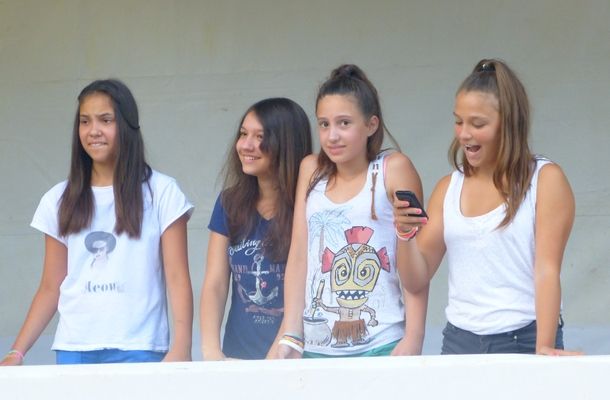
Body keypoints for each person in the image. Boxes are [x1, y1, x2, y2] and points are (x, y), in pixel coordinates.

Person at [394, 58, 581, 355]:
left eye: (477, 124)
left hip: (525, 337)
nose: (464, 134)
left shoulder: (545, 179)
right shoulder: (447, 188)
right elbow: (416, 279)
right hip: (459, 341)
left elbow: (547, 270)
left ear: (508, 123)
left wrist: (544, 345)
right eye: (458, 121)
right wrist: (405, 235)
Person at [1, 79, 194, 365]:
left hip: (140, 347)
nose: (93, 131)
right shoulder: (58, 199)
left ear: (127, 125)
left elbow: (177, 277)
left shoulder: (162, 191)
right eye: (85, 121)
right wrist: (16, 352)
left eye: (105, 120)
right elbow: (51, 286)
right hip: (74, 348)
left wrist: (182, 348)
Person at [270, 64, 428, 358]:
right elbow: (299, 255)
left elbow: (415, 260)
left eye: (344, 123)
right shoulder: (311, 169)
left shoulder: (393, 168)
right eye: (324, 124)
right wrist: (291, 334)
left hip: (381, 342)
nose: (332, 136)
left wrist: (414, 337)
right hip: (317, 346)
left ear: (371, 125)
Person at [200, 98, 312, 360]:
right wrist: (211, 350)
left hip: (292, 358)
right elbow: (215, 283)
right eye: (243, 134)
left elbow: (305, 290)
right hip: (236, 358)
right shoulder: (229, 202)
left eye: (260, 137)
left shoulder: (311, 205)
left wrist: (278, 353)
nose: (245, 145)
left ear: (286, 144)